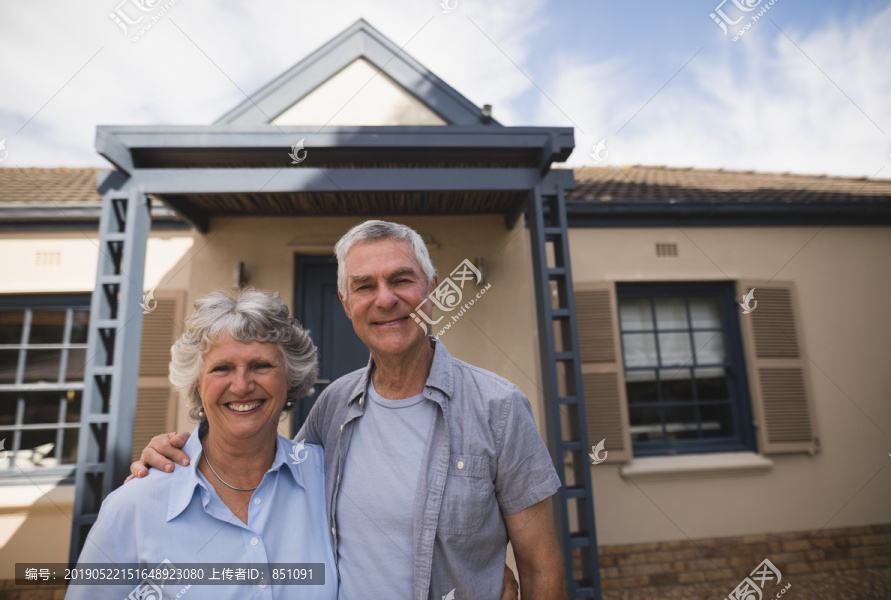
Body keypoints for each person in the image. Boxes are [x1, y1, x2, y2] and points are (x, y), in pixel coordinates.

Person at [133, 220, 566, 600]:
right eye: (364, 286)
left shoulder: (499, 408)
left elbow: (541, 567)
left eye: (401, 280)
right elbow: (266, 483)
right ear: (345, 303)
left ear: (432, 290)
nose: (385, 299)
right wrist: (180, 458)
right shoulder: (332, 408)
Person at [69, 289, 337, 599]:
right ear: (197, 383)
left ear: (290, 376)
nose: (242, 385)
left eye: (261, 366)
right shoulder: (133, 507)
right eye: (222, 368)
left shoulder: (330, 479)